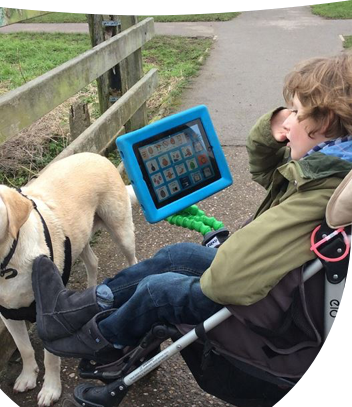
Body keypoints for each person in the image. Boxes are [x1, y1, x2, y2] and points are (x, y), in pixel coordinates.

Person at [32, 51, 352, 366]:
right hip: (271, 287)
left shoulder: (321, 191)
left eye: (295, 112)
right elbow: (266, 170)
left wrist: (222, 256)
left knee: (158, 291)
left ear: (325, 121)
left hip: (261, 305)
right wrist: (275, 127)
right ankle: (69, 311)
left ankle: (102, 341)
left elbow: (228, 280)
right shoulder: (327, 166)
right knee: (177, 257)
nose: (288, 118)